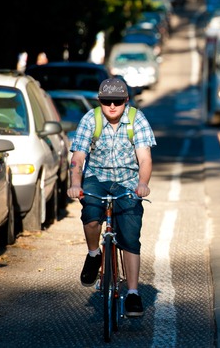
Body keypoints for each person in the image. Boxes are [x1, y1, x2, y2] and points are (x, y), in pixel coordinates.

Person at [67, 78, 156, 317]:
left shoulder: (137, 119)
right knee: (92, 217)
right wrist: (76, 184)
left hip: (127, 181)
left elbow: (145, 159)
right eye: (107, 102)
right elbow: (78, 157)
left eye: (118, 101)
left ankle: (133, 293)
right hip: (97, 177)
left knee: (129, 234)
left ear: (126, 101)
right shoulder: (90, 119)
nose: (112, 106)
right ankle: (94, 254)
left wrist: (142, 184)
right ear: (100, 101)